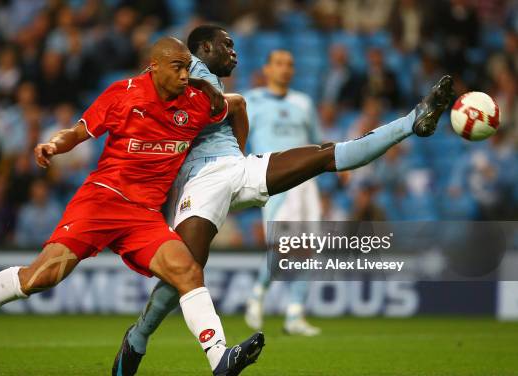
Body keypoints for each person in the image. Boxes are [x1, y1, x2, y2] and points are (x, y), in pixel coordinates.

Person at [115, 24, 454, 375]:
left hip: (237, 169)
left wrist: (236, 136)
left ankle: (413, 121)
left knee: (324, 154)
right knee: (183, 273)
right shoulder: (185, 71)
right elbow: (146, 84)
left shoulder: (222, 88)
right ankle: (139, 337)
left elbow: (235, 109)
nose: (234, 51)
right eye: (226, 44)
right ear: (203, 47)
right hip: (199, 182)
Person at [0, 37, 265, 376]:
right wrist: (53, 145)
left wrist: (237, 153)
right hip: (101, 201)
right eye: (177, 68)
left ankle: (220, 359)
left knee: (188, 271)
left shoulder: (196, 100)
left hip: (143, 215)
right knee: (40, 278)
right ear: (154, 67)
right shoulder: (123, 94)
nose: (184, 76)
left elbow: (235, 105)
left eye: (187, 69)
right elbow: (77, 132)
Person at [243, 50, 322, 336]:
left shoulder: (303, 102)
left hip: (306, 182)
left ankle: (294, 314)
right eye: (279, 63)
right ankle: (258, 292)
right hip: (274, 179)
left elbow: (315, 142)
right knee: (283, 247)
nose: (285, 69)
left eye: (290, 64)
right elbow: (238, 137)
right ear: (267, 68)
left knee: (309, 247)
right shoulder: (250, 101)